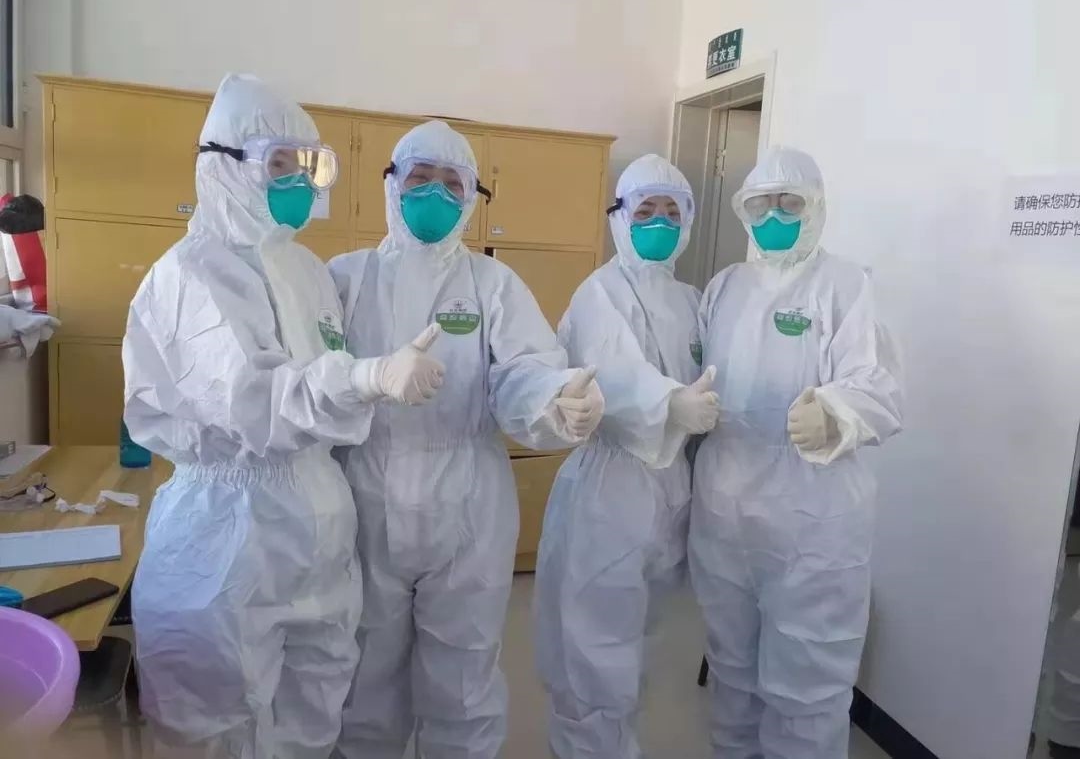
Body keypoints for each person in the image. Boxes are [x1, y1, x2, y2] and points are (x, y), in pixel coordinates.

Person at [122, 74, 446, 759]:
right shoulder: (191, 274)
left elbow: (318, 394)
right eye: (280, 164)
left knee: (315, 706)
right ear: (225, 164)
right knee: (217, 725)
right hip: (227, 533)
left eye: (309, 166)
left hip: (318, 524)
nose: (298, 182)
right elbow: (254, 404)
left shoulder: (306, 270)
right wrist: (365, 376)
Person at [328, 120, 606, 759]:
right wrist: (371, 377)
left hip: (468, 503)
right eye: (420, 178)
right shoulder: (346, 277)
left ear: (473, 197)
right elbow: (316, 377)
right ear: (391, 184)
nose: (435, 194)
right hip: (364, 494)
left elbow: (523, 370)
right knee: (363, 671)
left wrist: (555, 399)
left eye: (452, 184)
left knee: (464, 675)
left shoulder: (491, 283)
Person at [690, 147, 903, 759]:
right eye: (761, 204)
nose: (774, 215)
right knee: (731, 667)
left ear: (816, 208)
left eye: (790, 202)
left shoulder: (846, 284)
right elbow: (695, 369)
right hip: (724, 503)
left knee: (807, 681)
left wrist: (835, 412)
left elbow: (879, 385)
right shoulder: (725, 286)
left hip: (813, 513)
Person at [533, 153, 720, 759]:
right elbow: (611, 368)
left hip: (671, 484)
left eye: (672, 211)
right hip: (610, 487)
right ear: (620, 217)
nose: (659, 222)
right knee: (595, 646)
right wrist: (670, 403)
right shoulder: (601, 292)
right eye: (645, 211)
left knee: (641, 639)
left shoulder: (691, 299)